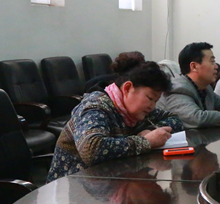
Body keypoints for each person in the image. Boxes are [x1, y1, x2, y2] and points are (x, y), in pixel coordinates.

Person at [47, 62, 183, 181]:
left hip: (109, 179)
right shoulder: (95, 107)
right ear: (127, 88)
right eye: (150, 98)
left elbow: (175, 120)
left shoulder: (136, 109)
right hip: (72, 187)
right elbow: (91, 150)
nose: (152, 106)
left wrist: (150, 131)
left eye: (155, 101)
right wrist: (146, 142)